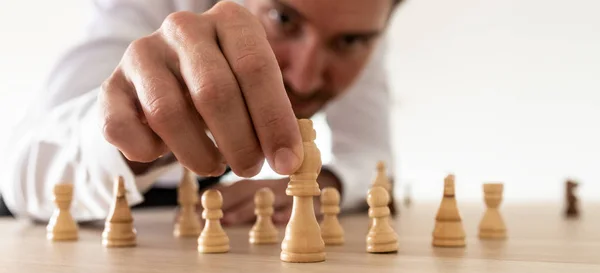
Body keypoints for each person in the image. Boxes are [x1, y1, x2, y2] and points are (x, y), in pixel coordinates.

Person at [0, 0, 401, 224]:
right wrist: (132, 131)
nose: (305, 77)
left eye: (350, 42)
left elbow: (373, 157)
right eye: (283, 18)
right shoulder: (140, 7)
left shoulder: (355, 18)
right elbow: (21, 174)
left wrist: (326, 183)